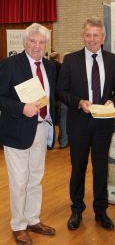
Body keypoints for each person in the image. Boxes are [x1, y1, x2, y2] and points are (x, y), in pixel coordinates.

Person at [57, 17, 115, 231]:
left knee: (101, 169)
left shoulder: (113, 60)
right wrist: (79, 102)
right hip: (78, 123)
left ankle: (100, 211)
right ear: (82, 36)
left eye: (96, 35)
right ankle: (77, 209)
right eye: (88, 35)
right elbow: (61, 91)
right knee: (78, 168)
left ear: (103, 37)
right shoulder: (70, 60)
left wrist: (112, 101)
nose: (92, 39)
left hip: (104, 124)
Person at [0, 23, 56, 245]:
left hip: (41, 128)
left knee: (35, 179)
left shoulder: (50, 67)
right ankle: (19, 225)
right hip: (16, 131)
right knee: (19, 181)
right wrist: (22, 108)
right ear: (25, 42)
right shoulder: (10, 64)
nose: (37, 45)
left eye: (41, 42)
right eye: (33, 41)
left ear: (46, 44)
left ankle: (33, 219)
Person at [49, 51, 69, 149]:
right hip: (65, 98)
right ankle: (64, 141)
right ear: (58, 57)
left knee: (54, 119)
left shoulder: (47, 66)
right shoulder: (62, 67)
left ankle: (52, 142)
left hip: (53, 97)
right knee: (64, 120)